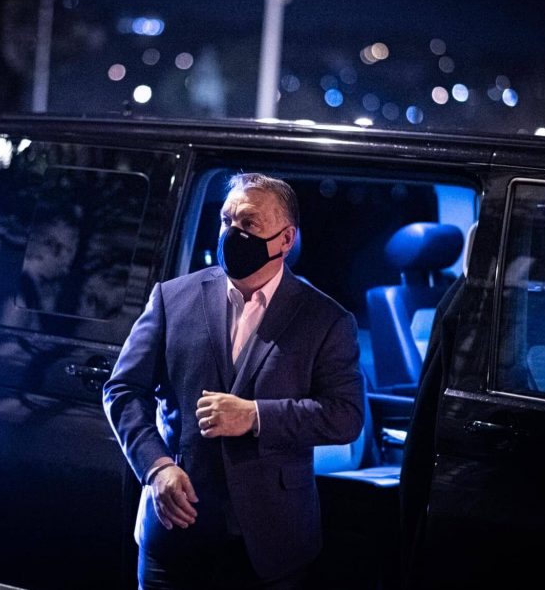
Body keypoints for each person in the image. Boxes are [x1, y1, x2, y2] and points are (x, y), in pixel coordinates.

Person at [103, 173, 364, 590]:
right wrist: (157, 468)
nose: (232, 233)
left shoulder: (326, 320)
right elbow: (122, 390)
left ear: (285, 239)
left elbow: (345, 416)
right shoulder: (172, 298)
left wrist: (256, 416)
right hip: (176, 529)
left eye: (248, 223)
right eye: (227, 221)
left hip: (271, 541)